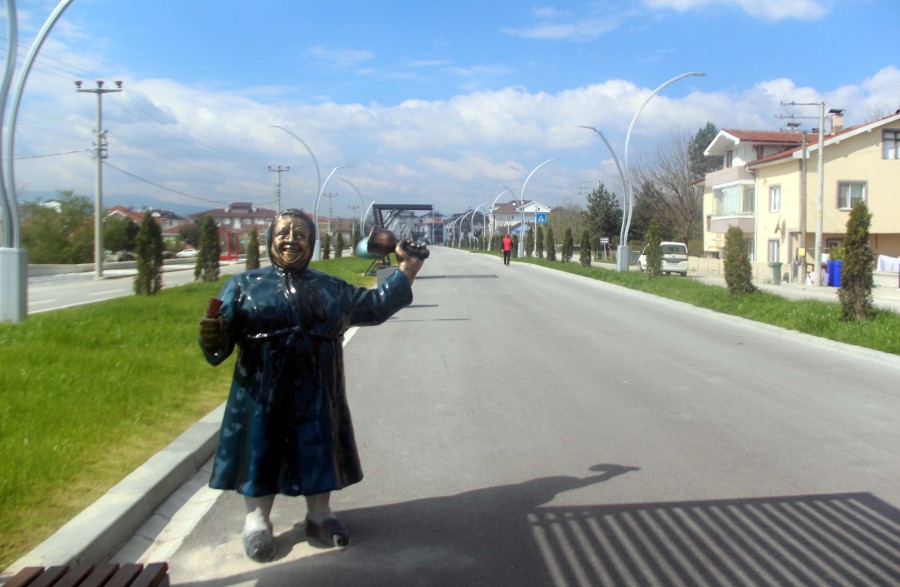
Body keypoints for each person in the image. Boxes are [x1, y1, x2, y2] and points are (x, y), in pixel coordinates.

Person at [199, 209, 426, 562]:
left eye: (300, 234)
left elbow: (375, 307)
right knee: (260, 447)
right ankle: (257, 521)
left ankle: (320, 515)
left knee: (318, 445)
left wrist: (407, 270)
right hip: (261, 391)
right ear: (270, 240)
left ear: (312, 242)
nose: (291, 240)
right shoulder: (243, 288)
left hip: (317, 389)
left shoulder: (331, 288)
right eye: (283, 234)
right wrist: (213, 336)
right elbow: (219, 342)